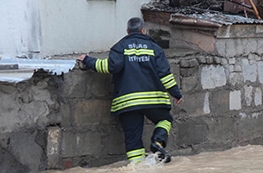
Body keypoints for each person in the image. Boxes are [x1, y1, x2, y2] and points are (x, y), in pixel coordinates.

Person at [78, 17, 184, 163]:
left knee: (133, 140)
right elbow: (165, 75)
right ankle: (158, 142)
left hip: (128, 103)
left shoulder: (120, 46)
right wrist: (176, 94)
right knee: (165, 120)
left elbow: (109, 67)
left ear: (127, 31)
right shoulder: (155, 49)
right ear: (143, 30)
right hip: (154, 101)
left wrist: (87, 60)